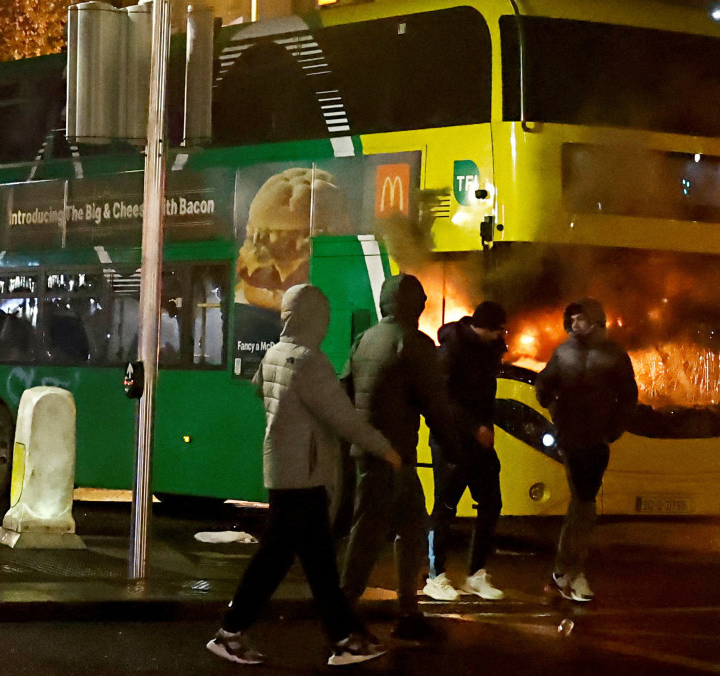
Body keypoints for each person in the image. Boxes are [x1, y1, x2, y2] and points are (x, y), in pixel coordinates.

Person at [206, 284, 399, 667]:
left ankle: (342, 639)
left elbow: (259, 388)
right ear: (313, 318)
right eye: (324, 317)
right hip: (303, 474)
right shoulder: (310, 361)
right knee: (278, 559)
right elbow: (345, 419)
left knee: (317, 562)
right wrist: (386, 449)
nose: (326, 325)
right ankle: (230, 632)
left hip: (284, 467)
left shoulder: (277, 352)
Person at [339, 274, 460, 643]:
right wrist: (453, 449)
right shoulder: (413, 342)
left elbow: (345, 387)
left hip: (373, 451)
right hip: (393, 455)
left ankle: (407, 610)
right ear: (414, 305)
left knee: (408, 527)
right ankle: (344, 612)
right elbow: (435, 404)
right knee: (371, 532)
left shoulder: (365, 339)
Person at [534, 298, 638, 603]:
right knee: (585, 506)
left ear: (595, 320)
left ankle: (562, 572)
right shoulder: (563, 353)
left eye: (581, 319)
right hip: (572, 440)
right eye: (573, 320)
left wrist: (612, 431)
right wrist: (557, 411)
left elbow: (628, 396)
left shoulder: (614, 355)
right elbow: (544, 386)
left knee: (582, 506)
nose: (575, 324)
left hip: (597, 441)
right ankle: (572, 572)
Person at [425, 301, 509, 601]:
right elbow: (444, 399)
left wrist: (485, 426)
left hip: (478, 442)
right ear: (483, 327)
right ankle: (436, 577)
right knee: (445, 506)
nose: (502, 336)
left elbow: (486, 396)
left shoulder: (489, 350)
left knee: (491, 501)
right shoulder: (451, 351)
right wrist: (476, 427)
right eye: (499, 330)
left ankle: (476, 573)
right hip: (451, 440)